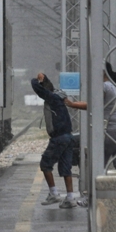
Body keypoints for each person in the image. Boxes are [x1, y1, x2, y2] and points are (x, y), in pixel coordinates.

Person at [63, 63, 116, 171]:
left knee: (100, 162)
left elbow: (93, 105)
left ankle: (97, 186)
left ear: (103, 72)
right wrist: (74, 103)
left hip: (112, 129)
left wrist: (72, 105)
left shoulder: (104, 86)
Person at [31, 72, 77, 209]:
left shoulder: (51, 98)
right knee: (65, 168)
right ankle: (70, 198)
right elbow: (46, 86)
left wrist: (37, 80)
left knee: (45, 164)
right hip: (69, 137)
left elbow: (37, 88)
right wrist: (44, 78)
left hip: (59, 138)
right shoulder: (58, 96)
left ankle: (54, 193)